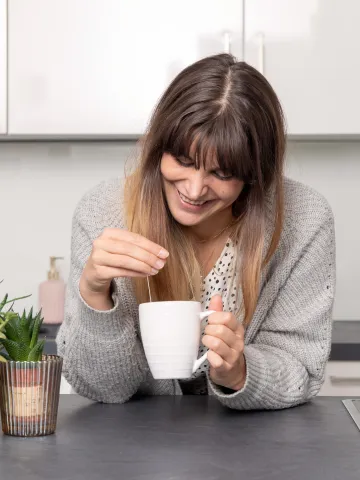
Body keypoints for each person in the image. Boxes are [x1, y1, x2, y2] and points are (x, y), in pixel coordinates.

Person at [57, 54, 336, 410]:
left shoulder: (305, 219)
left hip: (256, 450)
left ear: (255, 175)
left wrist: (241, 373)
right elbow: (104, 388)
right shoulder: (103, 212)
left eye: (221, 174)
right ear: (159, 147)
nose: (194, 189)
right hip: (132, 451)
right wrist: (95, 293)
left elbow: (300, 366)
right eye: (184, 162)